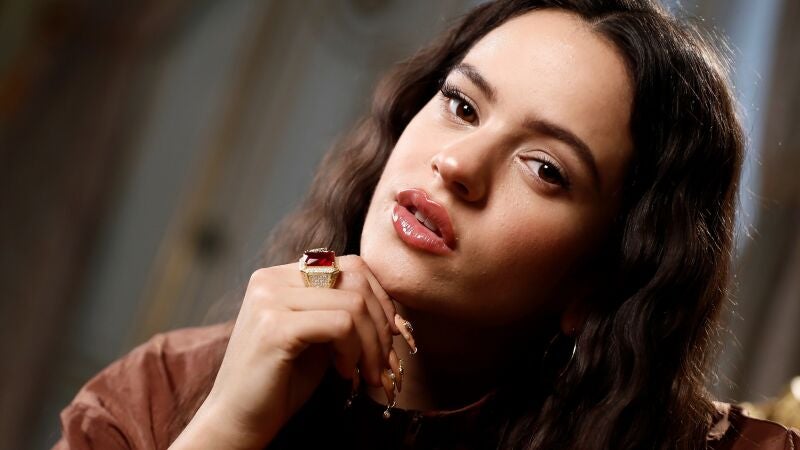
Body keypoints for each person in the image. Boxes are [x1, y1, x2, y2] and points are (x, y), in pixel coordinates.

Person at [54, 0, 800, 449]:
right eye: (462, 105)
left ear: (601, 278)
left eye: (545, 168)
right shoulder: (156, 395)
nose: (457, 164)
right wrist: (225, 427)